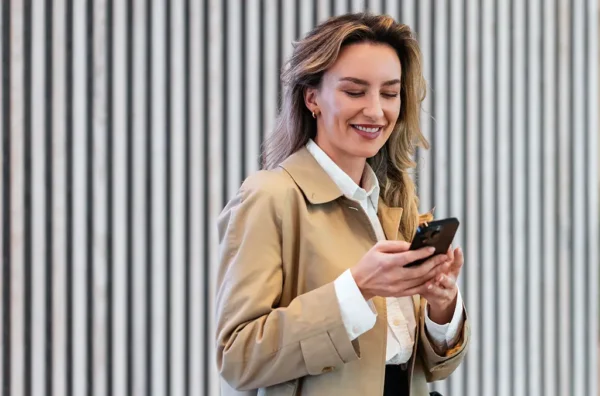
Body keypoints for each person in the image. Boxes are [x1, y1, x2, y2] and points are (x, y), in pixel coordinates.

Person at [215, 12, 470, 396]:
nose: (375, 111)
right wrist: (356, 288)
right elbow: (238, 358)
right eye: (354, 91)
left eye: (389, 93)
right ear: (312, 97)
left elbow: (427, 367)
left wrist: (442, 306)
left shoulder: (391, 203)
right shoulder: (271, 197)